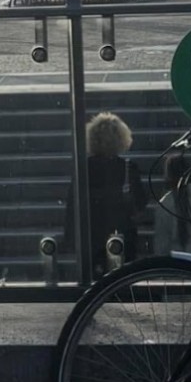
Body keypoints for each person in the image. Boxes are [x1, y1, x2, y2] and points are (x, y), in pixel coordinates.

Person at [61, 111, 149, 274]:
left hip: (92, 237)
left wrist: (70, 239)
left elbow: (73, 204)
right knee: (123, 277)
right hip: (123, 235)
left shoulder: (84, 169)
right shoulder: (128, 168)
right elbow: (141, 202)